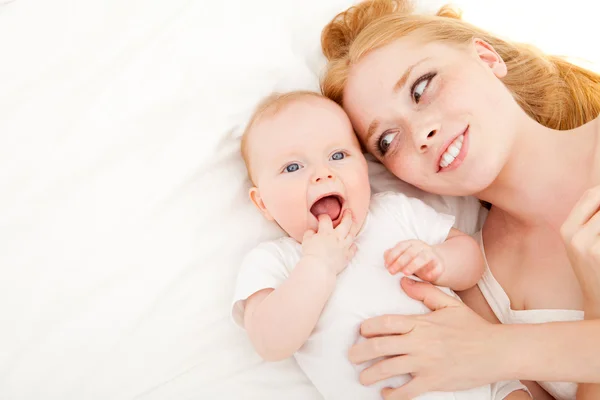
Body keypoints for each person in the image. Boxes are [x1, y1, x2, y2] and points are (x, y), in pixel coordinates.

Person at [319, 0, 600, 399]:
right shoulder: (476, 292)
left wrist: (496, 350)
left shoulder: (477, 336)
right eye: (388, 140)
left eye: (421, 87)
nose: (420, 134)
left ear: (487, 57)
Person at [231, 90, 530, 399]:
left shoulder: (394, 212)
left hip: (481, 382)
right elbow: (270, 342)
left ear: (364, 166)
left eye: (338, 156)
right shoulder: (275, 260)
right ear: (263, 203)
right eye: (293, 167)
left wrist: (439, 261)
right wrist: (317, 266)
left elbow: (472, 262)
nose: (323, 174)